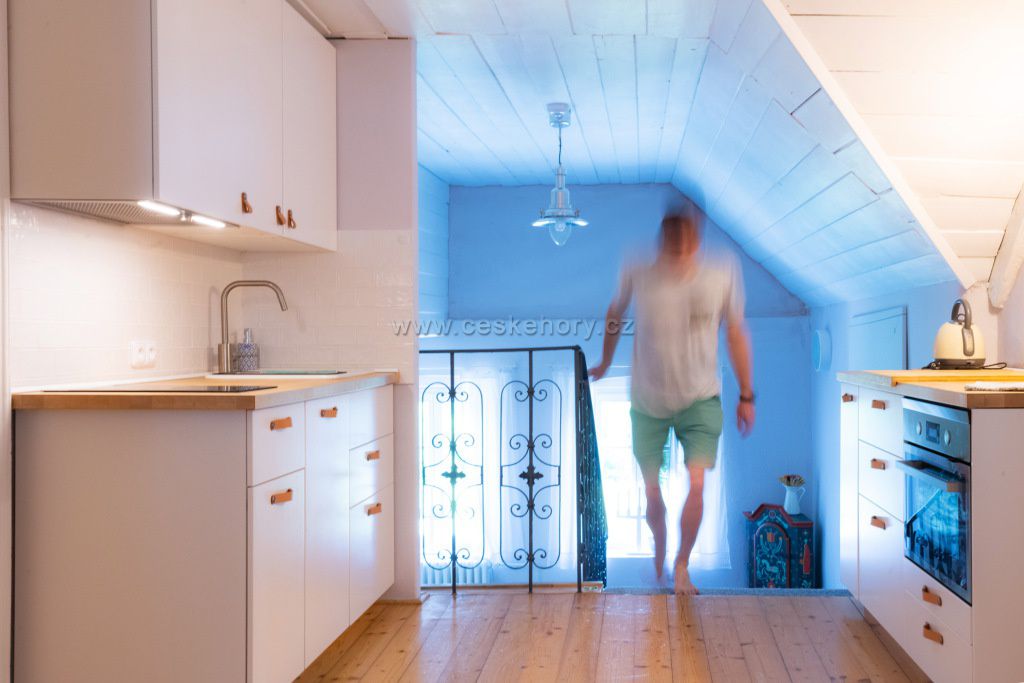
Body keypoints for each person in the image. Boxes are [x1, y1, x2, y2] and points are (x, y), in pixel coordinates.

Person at [589, 204, 755, 595]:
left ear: (696, 241)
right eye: (670, 244)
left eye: (684, 243)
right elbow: (615, 312)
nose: (677, 251)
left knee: (697, 484)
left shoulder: (722, 271)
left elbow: (735, 331)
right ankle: (660, 549)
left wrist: (747, 394)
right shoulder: (638, 266)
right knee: (652, 490)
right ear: (661, 240)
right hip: (648, 399)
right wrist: (606, 362)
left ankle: (681, 565)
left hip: (701, 398)